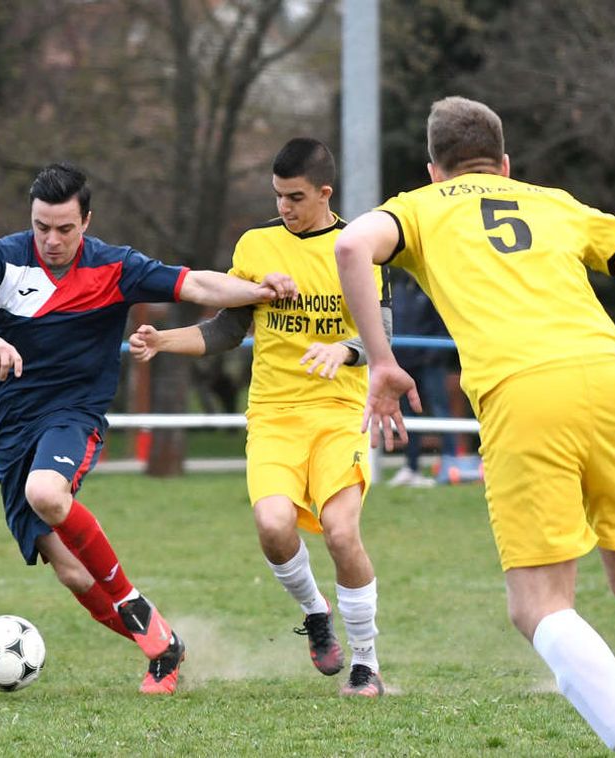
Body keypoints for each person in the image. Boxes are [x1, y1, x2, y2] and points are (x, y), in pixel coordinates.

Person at [334, 97, 615, 757]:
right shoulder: (555, 202)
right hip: (608, 377)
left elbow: (350, 245)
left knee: (537, 602)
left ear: (431, 171)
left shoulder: (418, 207)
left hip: (523, 389)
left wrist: (383, 363)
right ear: (505, 164)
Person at [0, 162, 296, 695]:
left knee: (46, 492)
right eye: (41, 227)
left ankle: (131, 602)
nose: (51, 240)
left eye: (64, 229)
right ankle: (164, 646)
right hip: (10, 431)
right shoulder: (1, 257)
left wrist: (258, 291)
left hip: (72, 416)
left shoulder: (115, 267)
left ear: (87, 221)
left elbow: (194, 283)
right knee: (74, 574)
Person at [128, 138, 390, 697]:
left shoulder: (356, 246)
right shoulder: (256, 244)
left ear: (325, 192)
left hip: (340, 412)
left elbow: (381, 334)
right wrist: (165, 340)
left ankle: (366, 663)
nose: (284, 207)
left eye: (296, 197)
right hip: (273, 415)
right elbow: (227, 329)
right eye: (277, 196)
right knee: (274, 526)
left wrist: (345, 351)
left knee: (342, 533)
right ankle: (316, 612)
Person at [387, 269, 456, 488]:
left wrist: (431, 356)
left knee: (439, 410)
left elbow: (443, 326)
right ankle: (411, 466)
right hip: (404, 362)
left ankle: (450, 464)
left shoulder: (431, 289)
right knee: (407, 416)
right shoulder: (397, 289)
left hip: (430, 362)